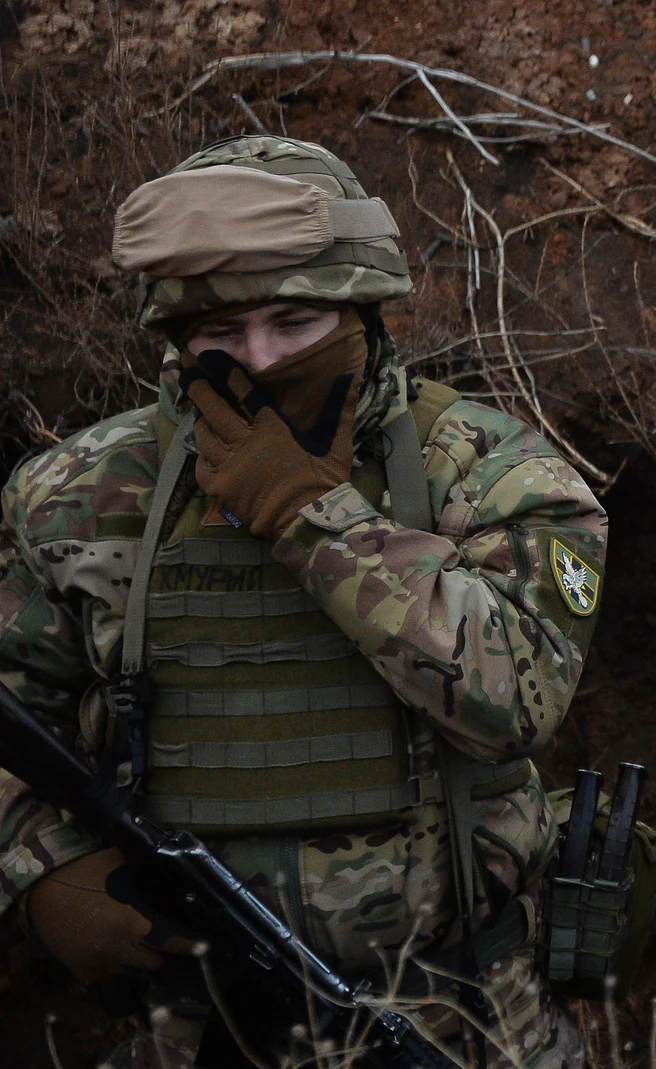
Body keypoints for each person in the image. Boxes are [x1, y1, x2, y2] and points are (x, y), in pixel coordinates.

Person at [0, 135, 607, 1067]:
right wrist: (42, 870)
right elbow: (14, 720)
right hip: (196, 1028)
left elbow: (515, 697)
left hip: (463, 1024)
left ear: (359, 309)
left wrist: (308, 516)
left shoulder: (490, 472)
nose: (260, 357)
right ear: (173, 338)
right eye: (220, 336)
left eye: (295, 321)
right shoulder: (72, 497)